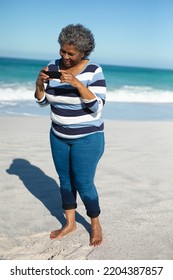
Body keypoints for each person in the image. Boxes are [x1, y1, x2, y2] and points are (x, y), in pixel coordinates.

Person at [35, 24, 106, 246]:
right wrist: (39, 84)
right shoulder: (52, 66)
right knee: (65, 181)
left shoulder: (93, 70)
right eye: (62, 51)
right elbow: (42, 102)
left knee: (83, 183)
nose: (64, 56)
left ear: (83, 53)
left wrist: (76, 83)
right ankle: (70, 223)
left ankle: (95, 223)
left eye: (70, 53)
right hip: (57, 135)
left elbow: (97, 107)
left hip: (88, 138)